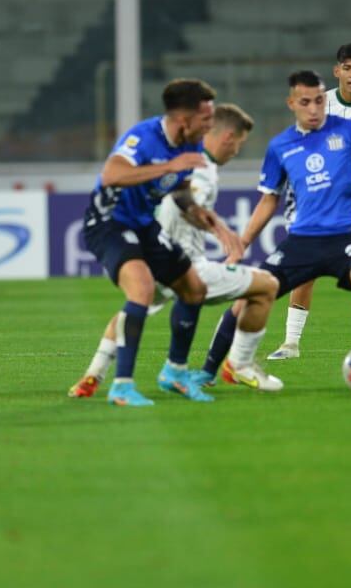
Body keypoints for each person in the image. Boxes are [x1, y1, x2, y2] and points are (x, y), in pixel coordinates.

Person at [196, 70, 351, 387]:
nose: (314, 109)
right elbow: (268, 201)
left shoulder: (348, 131)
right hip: (302, 240)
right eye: (305, 102)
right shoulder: (280, 146)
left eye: (319, 100)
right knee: (248, 297)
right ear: (291, 103)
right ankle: (208, 371)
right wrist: (243, 241)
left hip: (347, 233)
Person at [68, 103, 281, 402]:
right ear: (228, 138)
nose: (236, 152)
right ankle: (239, 365)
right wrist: (213, 230)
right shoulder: (201, 170)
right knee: (266, 285)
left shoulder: (188, 163)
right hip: (185, 263)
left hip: (157, 258)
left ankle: (94, 374)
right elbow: (179, 203)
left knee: (136, 306)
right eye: (239, 145)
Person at [267, 43, 351, 360]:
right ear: (337, 71)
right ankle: (290, 343)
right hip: (329, 203)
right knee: (307, 271)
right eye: (348, 67)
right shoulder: (322, 104)